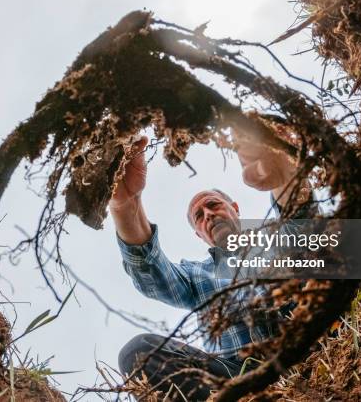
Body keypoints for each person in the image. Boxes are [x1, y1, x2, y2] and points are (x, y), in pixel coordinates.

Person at [110, 131, 313, 401]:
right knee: (138, 352)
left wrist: (284, 173)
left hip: (306, 352)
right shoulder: (197, 276)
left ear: (235, 208)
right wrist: (126, 206)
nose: (208, 215)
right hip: (234, 379)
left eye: (213, 205)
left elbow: (302, 223)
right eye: (199, 216)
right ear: (199, 234)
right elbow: (152, 274)